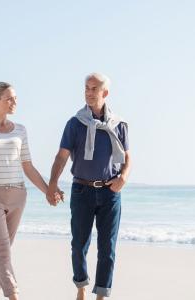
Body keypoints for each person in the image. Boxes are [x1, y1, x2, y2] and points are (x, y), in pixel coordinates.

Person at [0, 82, 61, 300]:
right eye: (9, 99)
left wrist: (48, 190)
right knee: (3, 250)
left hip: (17, 195)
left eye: (15, 98)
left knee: (3, 250)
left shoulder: (20, 130)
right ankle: (14, 295)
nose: (14, 102)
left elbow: (28, 166)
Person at [46, 73, 131, 300]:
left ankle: (101, 295)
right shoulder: (75, 123)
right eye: (86, 87)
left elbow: (128, 157)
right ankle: (81, 287)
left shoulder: (119, 125)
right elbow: (62, 157)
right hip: (82, 190)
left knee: (108, 248)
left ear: (105, 93)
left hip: (110, 192)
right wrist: (52, 184)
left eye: (94, 88)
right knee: (79, 244)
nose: (89, 92)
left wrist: (123, 177)